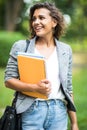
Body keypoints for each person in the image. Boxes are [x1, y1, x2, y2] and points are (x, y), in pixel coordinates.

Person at [4, 2, 79, 130]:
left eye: (41, 18)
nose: (36, 22)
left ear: (54, 22)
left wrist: (74, 123)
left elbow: (68, 88)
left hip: (59, 112)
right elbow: (8, 80)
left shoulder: (65, 50)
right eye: (34, 19)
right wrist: (34, 88)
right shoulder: (22, 46)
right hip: (31, 111)